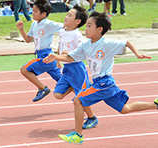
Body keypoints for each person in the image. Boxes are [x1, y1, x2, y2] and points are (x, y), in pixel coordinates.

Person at [43, 11, 158, 144]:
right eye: (86, 26)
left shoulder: (106, 44)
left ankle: (77, 135)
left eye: (89, 26)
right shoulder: (85, 45)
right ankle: (155, 105)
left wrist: (137, 54)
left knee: (78, 100)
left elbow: (126, 42)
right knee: (124, 109)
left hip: (105, 83)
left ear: (99, 29)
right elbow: (71, 57)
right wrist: (56, 57)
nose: (86, 29)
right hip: (102, 84)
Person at [55, 4, 98, 129]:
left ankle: (92, 118)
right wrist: (58, 59)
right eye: (67, 14)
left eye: (70, 15)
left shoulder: (77, 35)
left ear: (77, 21)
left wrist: (71, 53)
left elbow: (83, 52)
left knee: (81, 98)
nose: (66, 16)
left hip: (77, 68)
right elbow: (60, 45)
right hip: (67, 69)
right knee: (58, 95)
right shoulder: (62, 31)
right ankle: (83, 86)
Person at [16, 0, 63, 102]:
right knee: (65, 82)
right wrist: (21, 29)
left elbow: (65, 27)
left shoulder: (49, 24)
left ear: (44, 14)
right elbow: (28, 40)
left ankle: (43, 88)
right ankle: (82, 93)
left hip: (47, 56)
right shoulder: (34, 24)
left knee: (24, 70)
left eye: (36, 11)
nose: (33, 13)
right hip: (43, 56)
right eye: (33, 10)